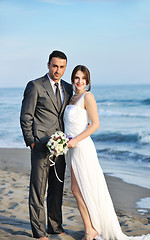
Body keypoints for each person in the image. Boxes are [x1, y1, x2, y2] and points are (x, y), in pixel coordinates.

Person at [63, 65, 150, 240]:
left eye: (83, 78)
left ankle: (91, 230)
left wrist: (75, 140)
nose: (80, 81)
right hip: (72, 150)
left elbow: (96, 124)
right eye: (77, 77)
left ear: (88, 81)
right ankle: (90, 228)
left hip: (82, 148)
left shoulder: (87, 97)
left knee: (81, 189)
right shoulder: (72, 98)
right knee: (77, 189)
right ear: (72, 78)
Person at [20, 50, 73, 239]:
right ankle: (39, 231)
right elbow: (26, 116)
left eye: (61, 67)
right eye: (55, 66)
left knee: (57, 189)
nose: (57, 70)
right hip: (41, 146)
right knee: (38, 190)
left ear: (65, 68)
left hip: (60, 148)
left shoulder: (68, 87)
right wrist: (32, 142)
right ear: (48, 65)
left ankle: (55, 226)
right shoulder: (35, 86)